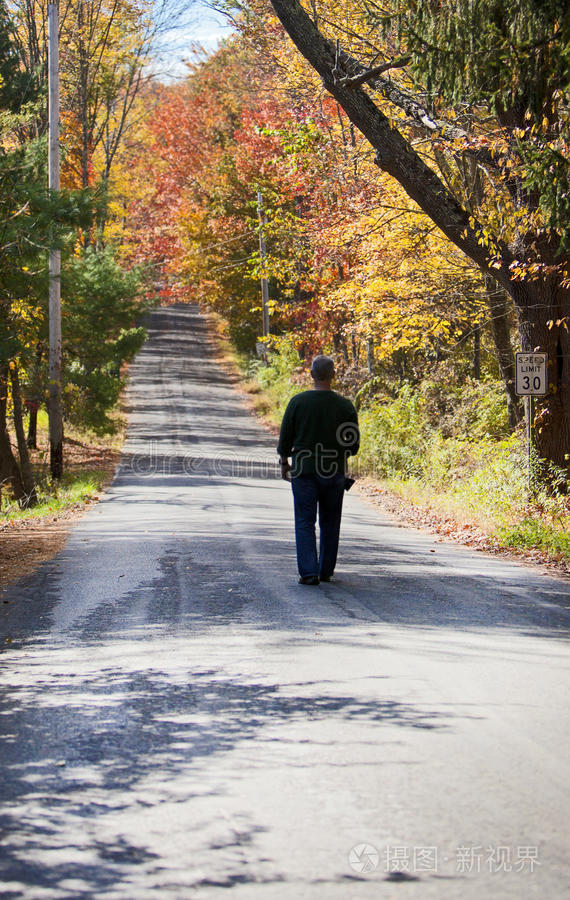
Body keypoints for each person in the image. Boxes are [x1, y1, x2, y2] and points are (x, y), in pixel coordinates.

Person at [277, 355, 359, 585]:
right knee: (330, 521)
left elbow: (286, 438)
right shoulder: (345, 406)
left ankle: (309, 572)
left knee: (304, 521)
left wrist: (285, 463)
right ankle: (325, 570)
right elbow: (353, 445)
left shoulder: (298, 403)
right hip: (334, 472)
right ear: (334, 375)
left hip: (304, 470)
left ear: (311, 374)